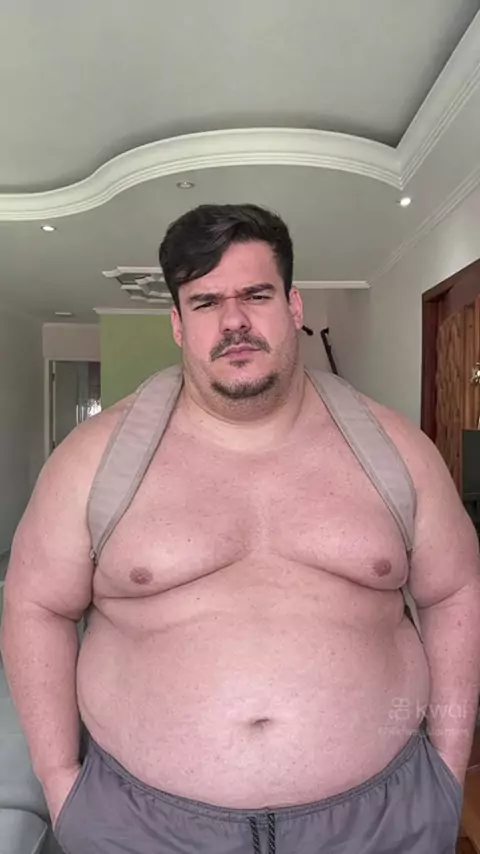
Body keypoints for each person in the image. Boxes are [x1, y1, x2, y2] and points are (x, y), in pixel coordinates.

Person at [1, 203, 480, 854]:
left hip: (381, 822)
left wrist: (448, 768)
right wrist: (61, 780)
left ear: (293, 306)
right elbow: (34, 605)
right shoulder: (90, 461)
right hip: (144, 829)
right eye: (205, 302)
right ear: (178, 323)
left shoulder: (399, 450)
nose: (233, 321)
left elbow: (455, 593)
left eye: (256, 294)